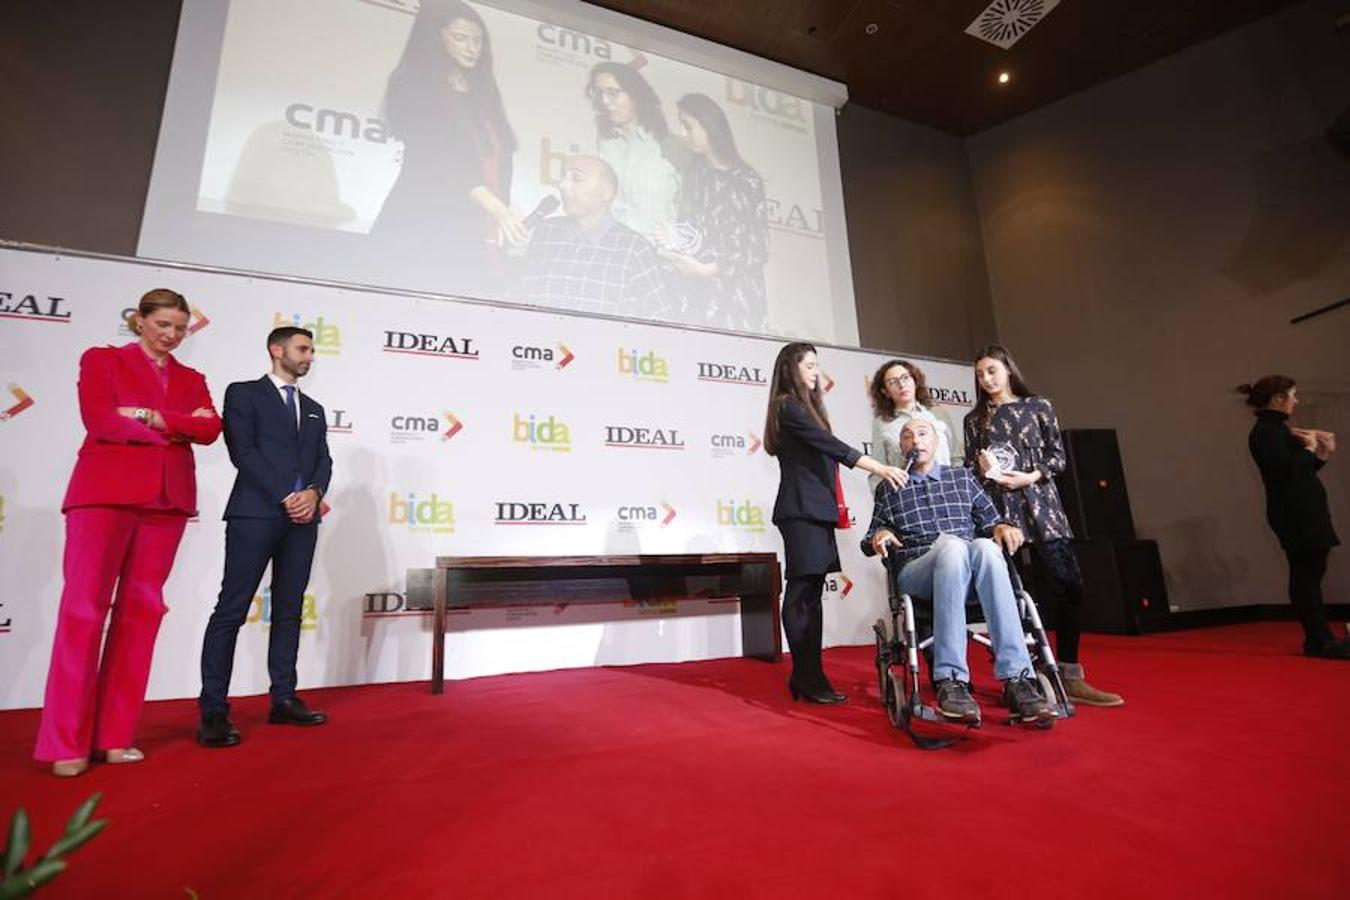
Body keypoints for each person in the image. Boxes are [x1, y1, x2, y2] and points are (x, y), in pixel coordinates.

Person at [36, 289, 221, 776]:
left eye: (180, 327)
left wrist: (146, 415)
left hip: (167, 500)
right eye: (163, 324)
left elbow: (210, 430)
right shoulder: (102, 359)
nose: (172, 335)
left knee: (142, 614)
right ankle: (65, 743)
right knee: (82, 611)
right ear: (139, 321)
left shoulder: (192, 377)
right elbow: (99, 419)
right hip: (103, 494)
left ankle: (115, 736)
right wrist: (174, 427)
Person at [963, 345, 1123, 707]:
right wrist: (984, 467)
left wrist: (1031, 476)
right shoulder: (975, 419)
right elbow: (974, 472)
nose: (986, 379)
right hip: (1001, 514)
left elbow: (1058, 456)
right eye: (980, 374)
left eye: (992, 371)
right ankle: (1023, 675)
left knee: (1068, 585)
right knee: (1011, 597)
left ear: (1007, 370)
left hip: (1042, 507)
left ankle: (1070, 673)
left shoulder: (1039, 407)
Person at [864, 419, 1053, 725]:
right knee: (952, 546)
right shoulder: (891, 486)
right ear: (901, 448)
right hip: (918, 569)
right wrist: (880, 535)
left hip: (968, 570)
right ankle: (950, 679)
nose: (915, 440)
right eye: (907, 436)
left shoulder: (963, 478)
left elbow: (992, 521)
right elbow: (873, 533)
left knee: (987, 548)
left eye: (922, 433)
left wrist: (1003, 527)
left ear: (937, 441)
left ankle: (1018, 679)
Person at [197, 326, 334, 747]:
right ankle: (214, 712)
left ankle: (284, 698)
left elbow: (323, 461)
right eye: (303, 348)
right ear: (277, 350)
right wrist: (285, 495)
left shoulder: (313, 408)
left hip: (302, 521)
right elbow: (244, 452)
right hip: (255, 514)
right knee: (231, 610)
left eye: (311, 350)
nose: (310, 356)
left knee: (290, 610)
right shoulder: (243, 393)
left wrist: (312, 494)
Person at [763, 342, 905, 704]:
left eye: (816, 365)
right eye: (809, 365)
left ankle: (811, 676)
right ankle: (805, 676)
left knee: (811, 596)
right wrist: (880, 467)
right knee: (801, 594)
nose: (815, 372)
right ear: (790, 370)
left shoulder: (805, 408)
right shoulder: (787, 407)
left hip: (816, 510)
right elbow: (833, 446)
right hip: (801, 511)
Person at [373, 0, 521, 297]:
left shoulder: (483, 91)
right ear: (435, 37)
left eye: (478, 40)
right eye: (460, 38)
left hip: (474, 234)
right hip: (421, 227)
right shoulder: (412, 83)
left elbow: (497, 161)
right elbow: (442, 156)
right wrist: (496, 207)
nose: (471, 48)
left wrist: (501, 210)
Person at [1241, 375, 1346, 659]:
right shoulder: (1265, 432)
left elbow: (1301, 473)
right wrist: (1310, 447)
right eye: (1293, 395)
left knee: (1312, 574)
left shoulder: (1277, 430)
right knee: (1307, 576)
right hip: (1294, 513)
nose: (1296, 401)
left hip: (1302, 509)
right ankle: (1318, 641)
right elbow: (1286, 473)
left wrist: (1322, 453)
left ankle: (1322, 637)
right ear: (1278, 399)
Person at [660, 92, 768, 332]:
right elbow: (691, 229)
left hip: (737, 300)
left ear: (709, 126)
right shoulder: (696, 173)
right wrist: (674, 243)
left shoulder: (747, 181)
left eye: (688, 126)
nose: (683, 133)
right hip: (696, 296)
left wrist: (707, 271)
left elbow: (756, 249)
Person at [520, 155, 669, 318]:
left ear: (607, 192)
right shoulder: (545, 232)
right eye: (562, 177)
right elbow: (523, 297)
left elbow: (660, 317)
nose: (562, 186)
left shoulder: (634, 248)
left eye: (576, 179)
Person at [586, 61, 685, 241]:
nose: (605, 101)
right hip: (610, 250)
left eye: (613, 93)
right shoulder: (601, 142)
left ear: (636, 95)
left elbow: (695, 209)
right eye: (599, 93)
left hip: (658, 257)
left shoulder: (672, 146)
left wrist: (679, 238)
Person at [868, 359, 954, 495]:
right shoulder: (882, 423)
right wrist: (884, 501)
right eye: (893, 382)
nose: (901, 385)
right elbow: (879, 469)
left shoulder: (938, 413)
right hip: (908, 497)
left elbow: (956, 458)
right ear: (885, 391)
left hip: (945, 493)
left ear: (915, 381)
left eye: (905, 378)